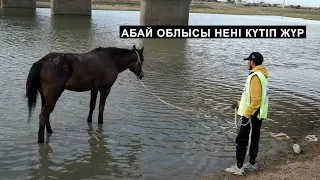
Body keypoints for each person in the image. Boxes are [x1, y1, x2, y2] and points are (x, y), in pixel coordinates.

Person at [225, 52, 269, 176]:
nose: (247, 63)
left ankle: (239, 167)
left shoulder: (255, 76)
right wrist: (238, 103)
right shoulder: (262, 75)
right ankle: (252, 164)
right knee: (254, 138)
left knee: (241, 140)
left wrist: (246, 115)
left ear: (252, 62)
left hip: (251, 115)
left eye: (248, 61)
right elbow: (251, 97)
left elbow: (256, 100)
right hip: (258, 114)